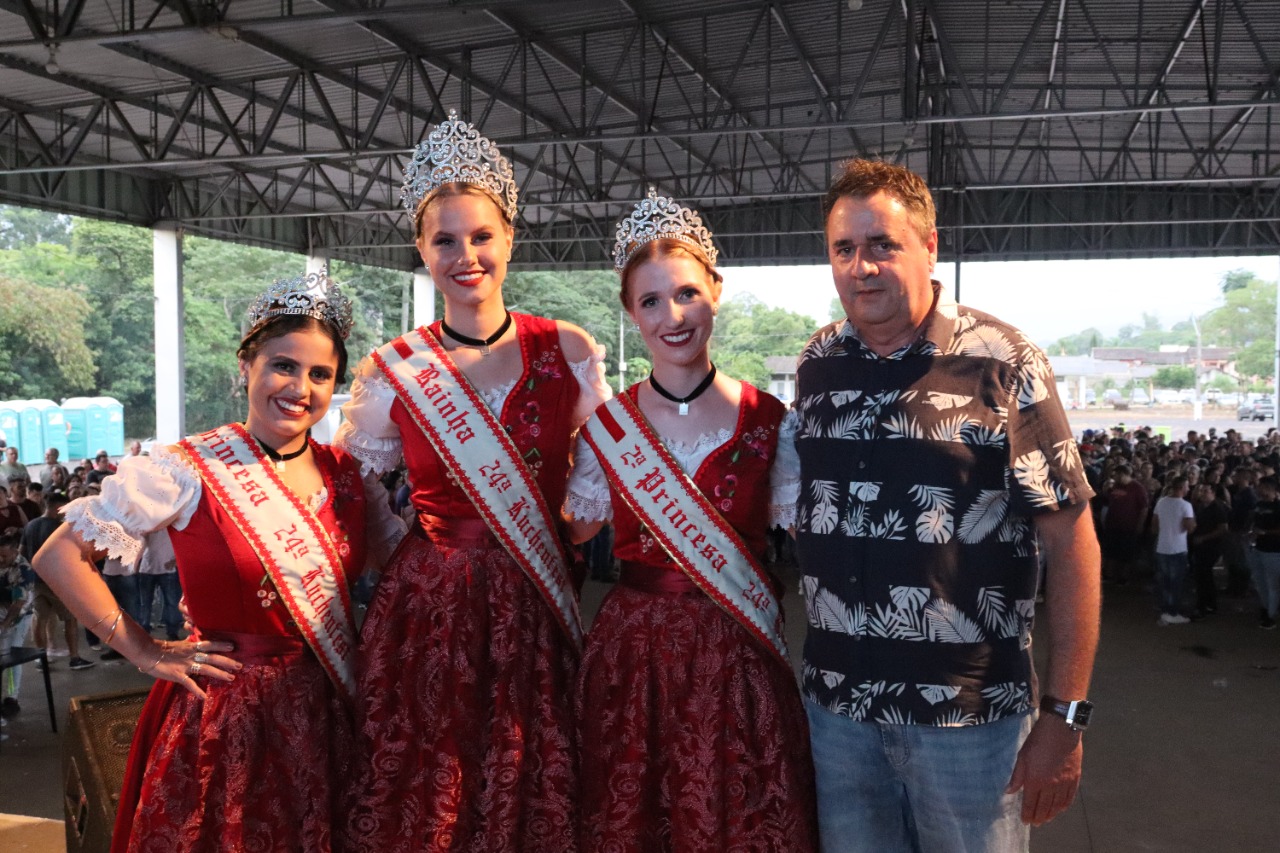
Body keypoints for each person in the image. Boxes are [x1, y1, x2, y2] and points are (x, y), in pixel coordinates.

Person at [34, 273, 402, 853]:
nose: (300, 388)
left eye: (320, 374)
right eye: (283, 365)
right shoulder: (183, 470)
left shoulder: (349, 476)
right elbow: (59, 555)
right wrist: (143, 649)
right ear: (246, 367)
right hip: (228, 716)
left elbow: (405, 571)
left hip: (331, 709)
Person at [793, 158, 1101, 852]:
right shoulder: (818, 363)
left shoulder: (1004, 361)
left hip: (970, 725)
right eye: (844, 249)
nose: (862, 266)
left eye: (882, 245)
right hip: (840, 718)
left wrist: (1065, 715)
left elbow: (1072, 542)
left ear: (930, 246)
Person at [336, 111, 610, 853]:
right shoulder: (393, 367)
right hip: (428, 616)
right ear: (421, 249)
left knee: (531, 788)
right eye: (445, 240)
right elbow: (353, 493)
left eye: (481, 236)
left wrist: (563, 529)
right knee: (430, 797)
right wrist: (419, 557)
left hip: (534, 599)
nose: (466, 256)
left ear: (510, 238)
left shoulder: (569, 350)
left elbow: (607, 477)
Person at [565, 191, 818, 852]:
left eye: (685, 293)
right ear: (630, 312)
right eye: (650, 301)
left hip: (738, 659)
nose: (672, 316)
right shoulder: (606, 429)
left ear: (716, 291)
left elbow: (819, 542)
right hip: (631, 660)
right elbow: (566, 534)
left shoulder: (772, 422)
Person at [1151, 476, 1195, 625]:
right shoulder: (1186, 506)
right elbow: (1189, 527)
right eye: (1187, 486)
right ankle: (1172, 612)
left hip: (1162, 546)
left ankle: (1164, 609)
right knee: (1175, 582)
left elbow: (1154, 524)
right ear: (1182, 488)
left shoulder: (1161, 502)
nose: (1188, 489)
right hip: (1178, 547)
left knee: (1164, 581)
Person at [1189, 483, 1229, 616]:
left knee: (1204, 573)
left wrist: (1204, 538)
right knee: (1202, 575)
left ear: (1213, 493)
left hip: (1211, 546)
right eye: (1201, 491)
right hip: (1201, 545)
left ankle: (1205, 604)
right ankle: (1207, 602)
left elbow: (1223, 528)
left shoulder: (1217, 507)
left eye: (1205, 491)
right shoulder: (1201, 506)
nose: (1202, 493)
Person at [1250, 476, 1280, 630]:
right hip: (1258, 548)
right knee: (1260, 581)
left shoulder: (1278, 507)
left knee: (1272, 584)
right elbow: (1255, 522)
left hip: (1274, 551)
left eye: (1262, 487)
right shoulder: (1259, 504)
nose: (1259, 489)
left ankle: (1270, 615)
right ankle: (1266, 607)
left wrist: (1265, 532)